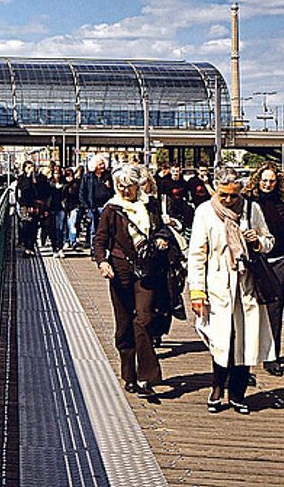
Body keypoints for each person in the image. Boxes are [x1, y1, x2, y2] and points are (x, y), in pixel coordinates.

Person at [188, 167, 275, 414]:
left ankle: (238, 394)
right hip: (217, 287)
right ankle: (217, 387)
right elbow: (196, 254)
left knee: (247, 341)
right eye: (224, 194)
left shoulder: (251, 209)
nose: (228, 200)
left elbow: (269, 242)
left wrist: (256, 241)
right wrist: (197, 292)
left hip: (247, 286)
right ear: (216, 189)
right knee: (220, 340)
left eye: (233, 195)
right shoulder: (205, 212)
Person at [93, 164, 169, 398]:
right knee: (124, 325)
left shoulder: (151, 205)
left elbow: (161, 229)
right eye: (121, 186)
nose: (125, 190)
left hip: (147, 270)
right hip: (121, 271)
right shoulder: (112, 210)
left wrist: (162, 239)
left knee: (144, 319)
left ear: (138, 186)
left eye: (129, 186)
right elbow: (100, 240)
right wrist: (102, 262)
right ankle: (129, 375)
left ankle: (147, 376)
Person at [243, 162, 284, 377]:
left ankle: (272, 357)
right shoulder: (247, 201)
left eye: (271, 181)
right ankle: (247, 357)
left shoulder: (283, 202)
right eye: (264, 180)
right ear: (257, 180)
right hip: (255, 261)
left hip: (280, 259)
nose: (267, 184)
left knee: (275, 309)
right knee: (250, 308)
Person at [79, 154, 114, 243]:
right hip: (93, 206)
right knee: (94, 229)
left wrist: (108, 187)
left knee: (107, 229)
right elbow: (82, 193)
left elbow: (113, 191)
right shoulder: (88, 177)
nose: (102, 166)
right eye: (100, 164)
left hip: (105, 206)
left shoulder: (107, 176)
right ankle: (94, 248)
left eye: (103, 164)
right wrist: (86, 207)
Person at [15, 161, 40, 256]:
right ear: (24, 168)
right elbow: (23, 189)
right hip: (24, 205)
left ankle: (31, 246)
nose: (31, 169)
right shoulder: (21, 178)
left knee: (34, 226)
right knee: (25, 226)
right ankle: (26, 247)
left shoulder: (36, 179)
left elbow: (38, 191)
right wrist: (28, 177)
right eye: (29, 167)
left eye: (32, 167)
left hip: (34, 205)